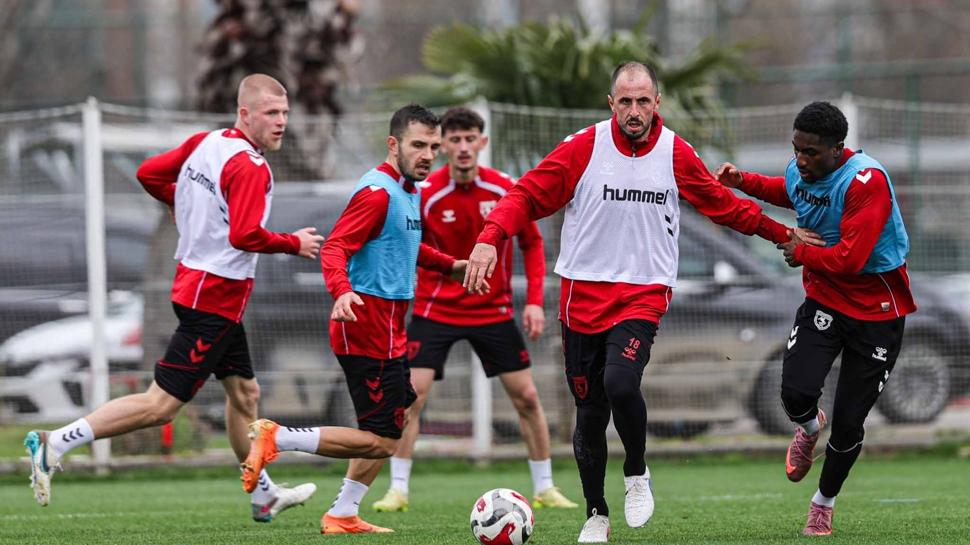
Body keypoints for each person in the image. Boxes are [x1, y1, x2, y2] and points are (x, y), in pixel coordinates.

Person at [464, 61, 807, 543]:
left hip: (643, 292)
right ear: (611, 104)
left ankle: (636, 472)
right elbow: (525, 196)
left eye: (643, 100)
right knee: (589, 410)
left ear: (656, 103)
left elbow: (725, 206)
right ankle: (596, 514)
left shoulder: (674, 152)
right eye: (625, 101)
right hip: (582, 294)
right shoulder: (584, 147)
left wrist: (781, 234)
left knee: (621, 383)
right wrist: (489, 237)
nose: (634, 110)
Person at [23, 74, 324, 522]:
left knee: (245, 394)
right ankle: (55, 443)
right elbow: (245, 235)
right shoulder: (251, 166)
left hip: (201, 288)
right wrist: (292, 243)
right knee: (160, 406)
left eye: (284, 113)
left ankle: (263, 494)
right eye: (271, 113)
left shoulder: (208, 141)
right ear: (244, 114)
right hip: (213, 300)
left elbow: (148, 174)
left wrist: (180, 202)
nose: (281, 121)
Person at [240, 104, 484, 535]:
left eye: (433, 146)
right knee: (382, 439)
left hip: (389, 326)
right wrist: (342, 290)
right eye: (418, 145)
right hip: (365, 323)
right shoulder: (377, 193)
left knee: (397, 419)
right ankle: (278, 438)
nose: (428, 155)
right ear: (393, 144)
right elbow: (336, 247)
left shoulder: (409, 189)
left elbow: (406, 244)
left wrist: (450, 266)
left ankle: (343, 514)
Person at [715, 101, 915, 537]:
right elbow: (788, 189)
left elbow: (850, 259)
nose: (801, 160)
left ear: (837, 149)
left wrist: (799, 251)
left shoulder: (866, 182)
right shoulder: (801, 169)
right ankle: (808, 427)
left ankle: (823, 502)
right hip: (825, 299)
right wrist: (742, 181)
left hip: (877, 311)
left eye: (811, 152)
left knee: (849, 422)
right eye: (797, 149)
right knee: (794, 392)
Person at [370, 107, 577, 514]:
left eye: (470, 139)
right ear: (443, 145)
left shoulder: (504, 188)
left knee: (528, 397)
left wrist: (535, 301)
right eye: (455, 140)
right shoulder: (425, 192)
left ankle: (545, 487)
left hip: (493, 312)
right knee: (410, 398)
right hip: (436, 310)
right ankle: (398, 489)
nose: (463, 147)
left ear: (482, 142)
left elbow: (532, 244)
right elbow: (408, 246)